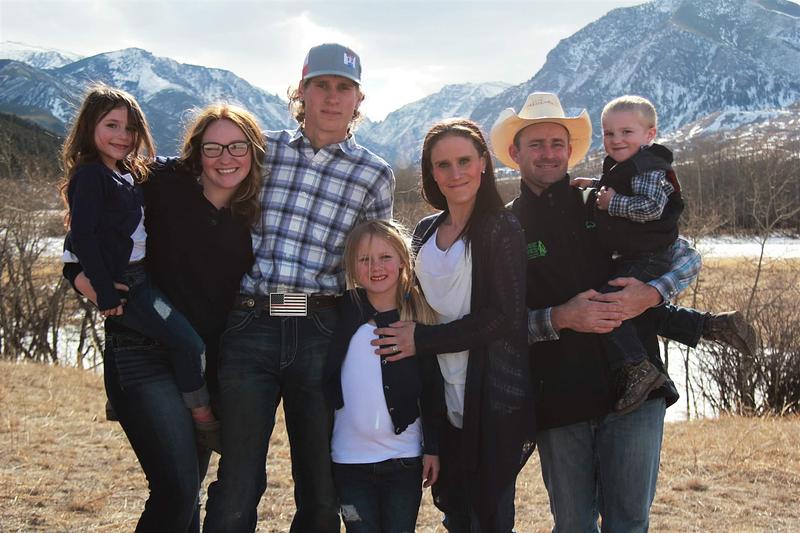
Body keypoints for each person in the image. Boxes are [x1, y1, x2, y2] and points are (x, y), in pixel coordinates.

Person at [490, 92, 752, 532]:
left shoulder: (602, 201)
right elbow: (498, 324)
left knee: (629, 523)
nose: (548, 153)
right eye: (536, 144)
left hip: (637, 396)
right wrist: (560, 317)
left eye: (557, 143)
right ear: (515, 153)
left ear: (570, 150)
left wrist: (651, 293)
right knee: (573, 525)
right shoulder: (504, 226)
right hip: (559, 396)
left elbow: (685, 255)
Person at [203, 43, 395, 533]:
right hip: (251, 324)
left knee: (321, 484)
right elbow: (198, 176)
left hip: (320, 329)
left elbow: (378, 264)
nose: (332, 97)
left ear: (358, 99)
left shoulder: (374, 174)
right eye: (321, 85)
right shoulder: (261, 150)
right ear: (301, 92)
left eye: (344, 88)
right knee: (238, 479)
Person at [63, 102, 263, 532]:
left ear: (253, 152)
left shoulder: (255, 213)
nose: (225, 158)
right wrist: (92, 286)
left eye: (237, 147)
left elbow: (267, 295)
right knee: (175, 490)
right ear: (196, 151)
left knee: (188, 493)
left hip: (206, 367)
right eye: (213, 147)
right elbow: (80, 240)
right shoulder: (160, 183)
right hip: (143, 353)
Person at [372, 119, 534, 532]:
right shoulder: (425, 231)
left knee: (489, 517)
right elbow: (411, 303)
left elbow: (504, 317)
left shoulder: (501, 227)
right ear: (431, 173)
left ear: (483, 163)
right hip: (441, 392)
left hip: (490, 395)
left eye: (464, 161)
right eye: (443, 165)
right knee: (455, 513)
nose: (455, 173)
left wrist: (423, 340)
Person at [59, 84, 219, 441]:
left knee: (169, 335)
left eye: (130, 128)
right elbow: (82, 238)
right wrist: (103, 289)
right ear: (89, 127)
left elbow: (159, 169)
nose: (123, 135)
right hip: (127, 285)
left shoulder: (125, 172)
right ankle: (203, 417)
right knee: (190, 343)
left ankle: (123, 400)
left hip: (143, 277)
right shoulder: (91, 176)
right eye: (111, 125)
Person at [324, 219, 444, 532]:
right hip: (348, 461)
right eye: (364, 259)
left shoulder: (418, 319)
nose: (375, 267)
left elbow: (431, 390)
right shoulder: (339, 312)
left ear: (403, 260)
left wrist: (432, 447)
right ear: (352, 266)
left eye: (385, 257)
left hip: (403, 461)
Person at [568, 95, 685, 413]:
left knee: (609, 305)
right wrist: (595, 186)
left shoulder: (650, 168)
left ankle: (637, 368)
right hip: (638, 254)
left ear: (650, 134)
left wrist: (611, 203)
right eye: (609, 133)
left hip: (649, 256)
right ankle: (705, 326)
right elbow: (622, 187)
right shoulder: (630, 166)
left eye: (626, 132)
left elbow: (650, 207)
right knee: (622, 304)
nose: (616, 139)